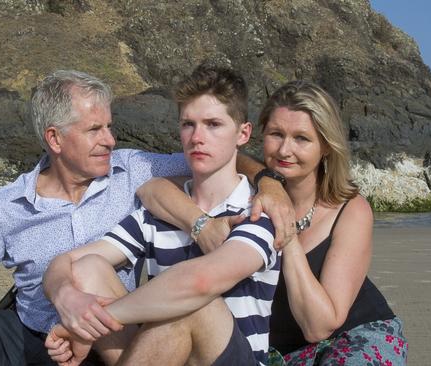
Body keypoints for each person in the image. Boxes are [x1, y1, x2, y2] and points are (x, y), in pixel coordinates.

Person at [0, 70, 293, 366]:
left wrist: (270, 182)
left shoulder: (137, 169)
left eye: (110, 127)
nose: (111, 140)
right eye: (95, 129)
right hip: (32, 330)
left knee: (176, 315)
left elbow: (217, 157)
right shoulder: (6, 204)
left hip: (112, 338)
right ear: (55, 138)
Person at [134, 80, 408, 365]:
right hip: (276, 353)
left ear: (326, 146)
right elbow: (152, 190)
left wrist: (284, 225)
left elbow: (320, 326)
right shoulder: (240, 192)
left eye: (302, 138)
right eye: (276, 134)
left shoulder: (349, 209)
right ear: (259, 134)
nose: (284, 150)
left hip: (351, 338)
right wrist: (202, 223)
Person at [44, 65, 280, 366]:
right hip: (166, 354)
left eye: (213, 124)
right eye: (188, 124)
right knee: (89, 268)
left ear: (243, 133)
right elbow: (67, 263)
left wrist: (86, 327)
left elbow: (199, 284)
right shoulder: (158, 213)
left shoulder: (258, 210)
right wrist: (69, 300)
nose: (197, 137)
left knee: (193, 306)